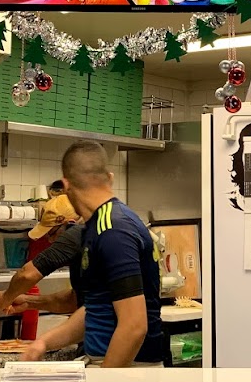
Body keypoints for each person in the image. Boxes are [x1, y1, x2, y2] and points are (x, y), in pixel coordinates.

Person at [23, 140, 163, 367]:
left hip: (130, 369)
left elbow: (134, 326)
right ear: (109, 178)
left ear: (65, 185)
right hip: (109, 364)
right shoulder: (97, 226)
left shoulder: (113, 229)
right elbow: (97, 307)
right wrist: (43, 343)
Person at [0, 193, 83, 315]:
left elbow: (27, 275)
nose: (50, 240)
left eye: (52, 233)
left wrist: (5, 297)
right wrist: (28, 302)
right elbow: (75, 300)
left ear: (70, 223)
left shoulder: (77, 233)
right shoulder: (86, 243)